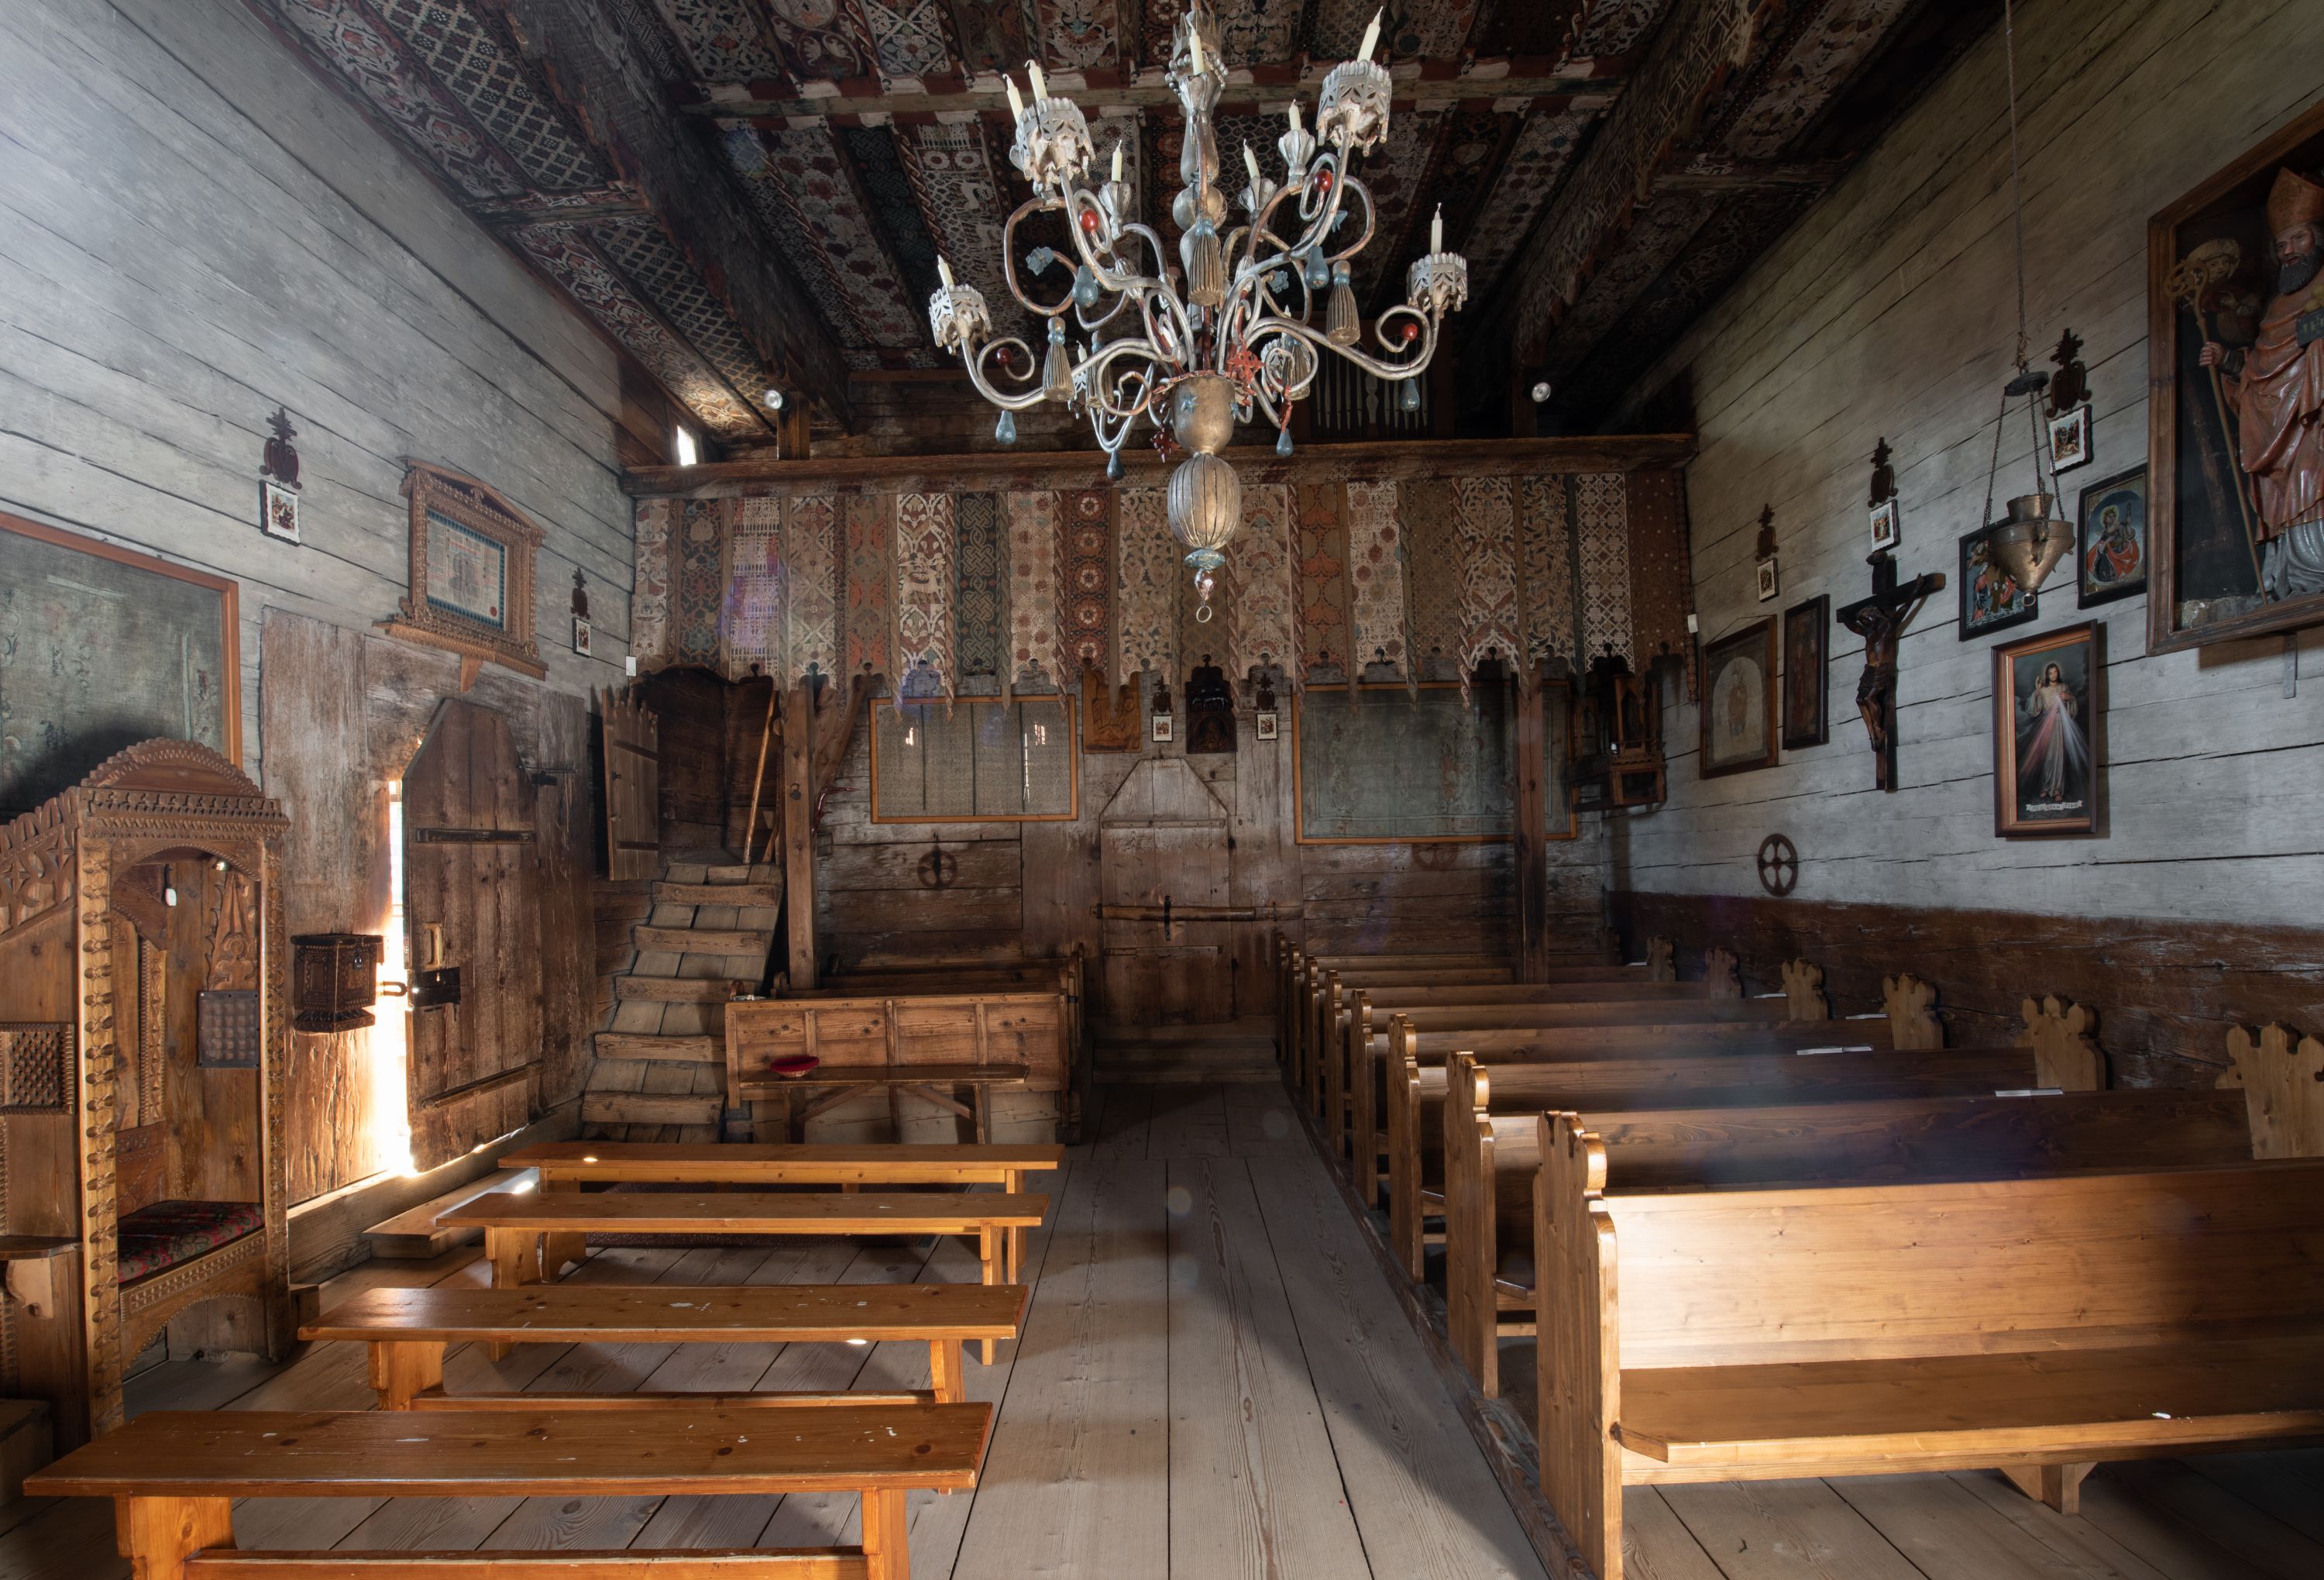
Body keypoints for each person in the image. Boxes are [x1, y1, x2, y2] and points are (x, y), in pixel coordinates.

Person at [2200, 167, 2324, 598]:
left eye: (2299, 239)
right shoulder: (2276, 307)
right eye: (2282, 244)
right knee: (2285, 488)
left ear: (2317, 240)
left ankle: (2314, 571)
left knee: (2313, 476)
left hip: (2315, 415)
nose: (2289, 251)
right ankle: (2292, 579)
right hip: (2277, 420)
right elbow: (2264, 365)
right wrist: (2230, 361)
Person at [2017, 660, 2087, 805]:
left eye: (2055, 672)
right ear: (2047, 675)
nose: (2053, 675)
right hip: (2047, 725)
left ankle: (2057, 790)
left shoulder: (2064, 687)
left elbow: (2072, 707)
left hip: (2060, 724)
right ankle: (2046, 787)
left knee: (2059, 757)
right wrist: (2037, 690)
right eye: (2051, 673)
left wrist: (2070, 698)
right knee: (2048, 758)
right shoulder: (2043, 690)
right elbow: (2033, 709)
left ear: (2058, 673)